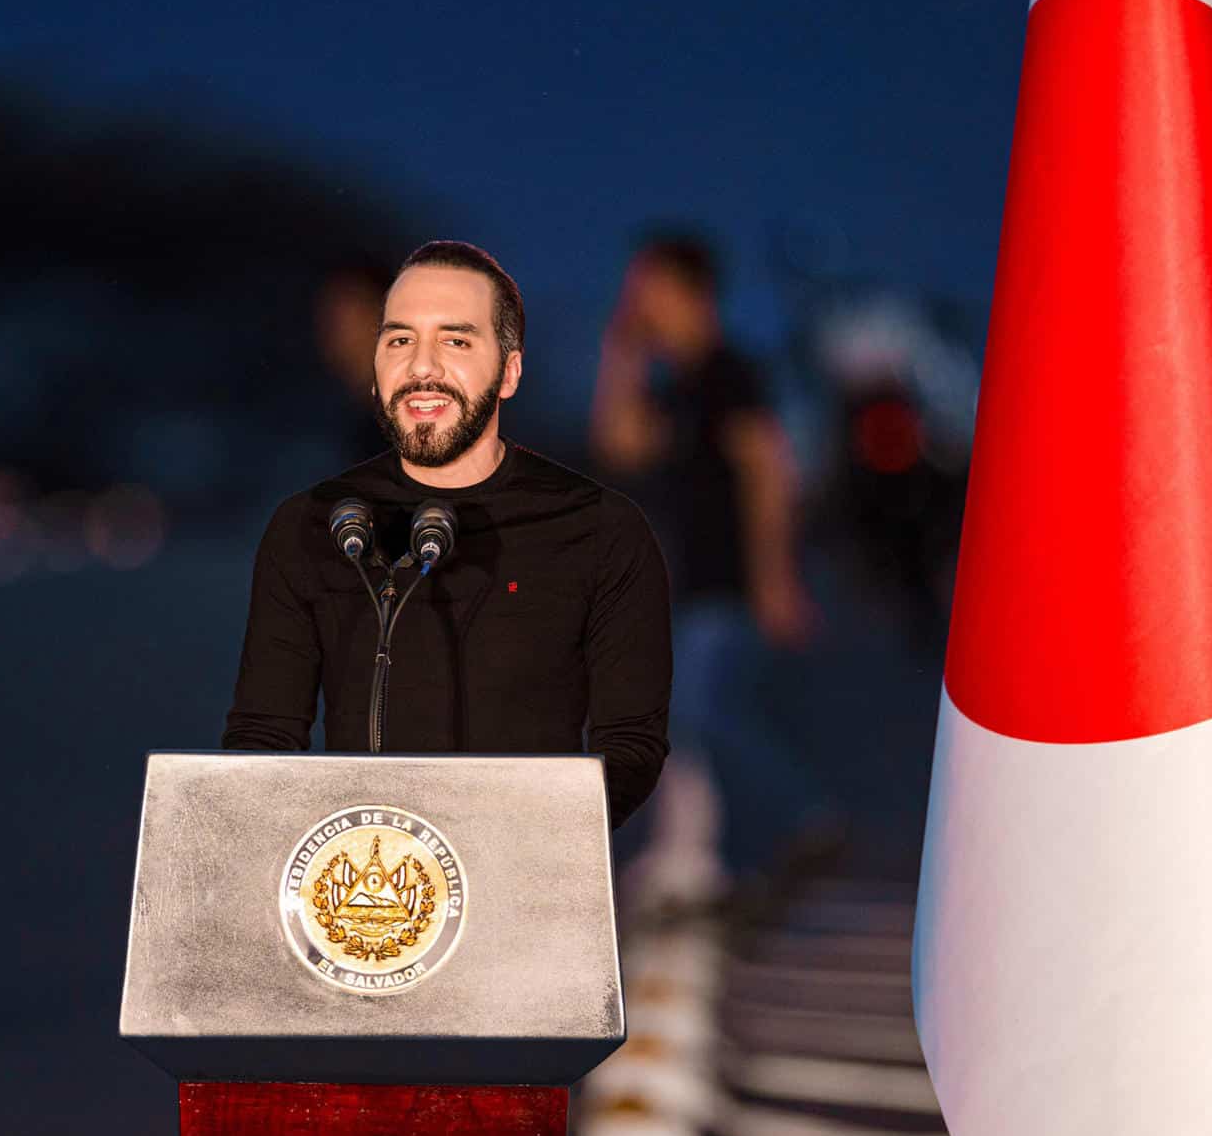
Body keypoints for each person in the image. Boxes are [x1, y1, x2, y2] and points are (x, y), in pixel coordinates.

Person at [221, 240, 672, 826]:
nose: (422, 367)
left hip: (525, 886)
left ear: (509, 370)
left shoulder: (600, 529)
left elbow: (631, 749)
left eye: (455, 341)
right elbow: (263, 738)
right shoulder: (311, 526)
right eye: (399, 340)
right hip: (362, 895)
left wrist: (524, 844)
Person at [589, 232, 827, 879]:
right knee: (687, 722)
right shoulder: (679, 386)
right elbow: (621, 445)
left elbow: (769, 473)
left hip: (732, 580)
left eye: (649, 291)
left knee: (702, 715)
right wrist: (622, 352)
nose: (639, 305)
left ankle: (804, 816)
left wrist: (777, 579)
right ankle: (691, 859)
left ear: (693, 293)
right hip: (687, 582)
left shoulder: (730, 373)